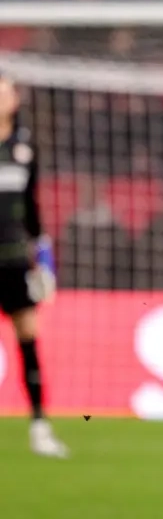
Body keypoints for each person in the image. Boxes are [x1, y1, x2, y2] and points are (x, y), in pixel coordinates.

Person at [0, 74, 68, 458]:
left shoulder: (24, 148)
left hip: (13, 261)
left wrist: (44, 259)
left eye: (6, 93)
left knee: (28, 338)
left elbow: (31, 206)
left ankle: (40, 426)